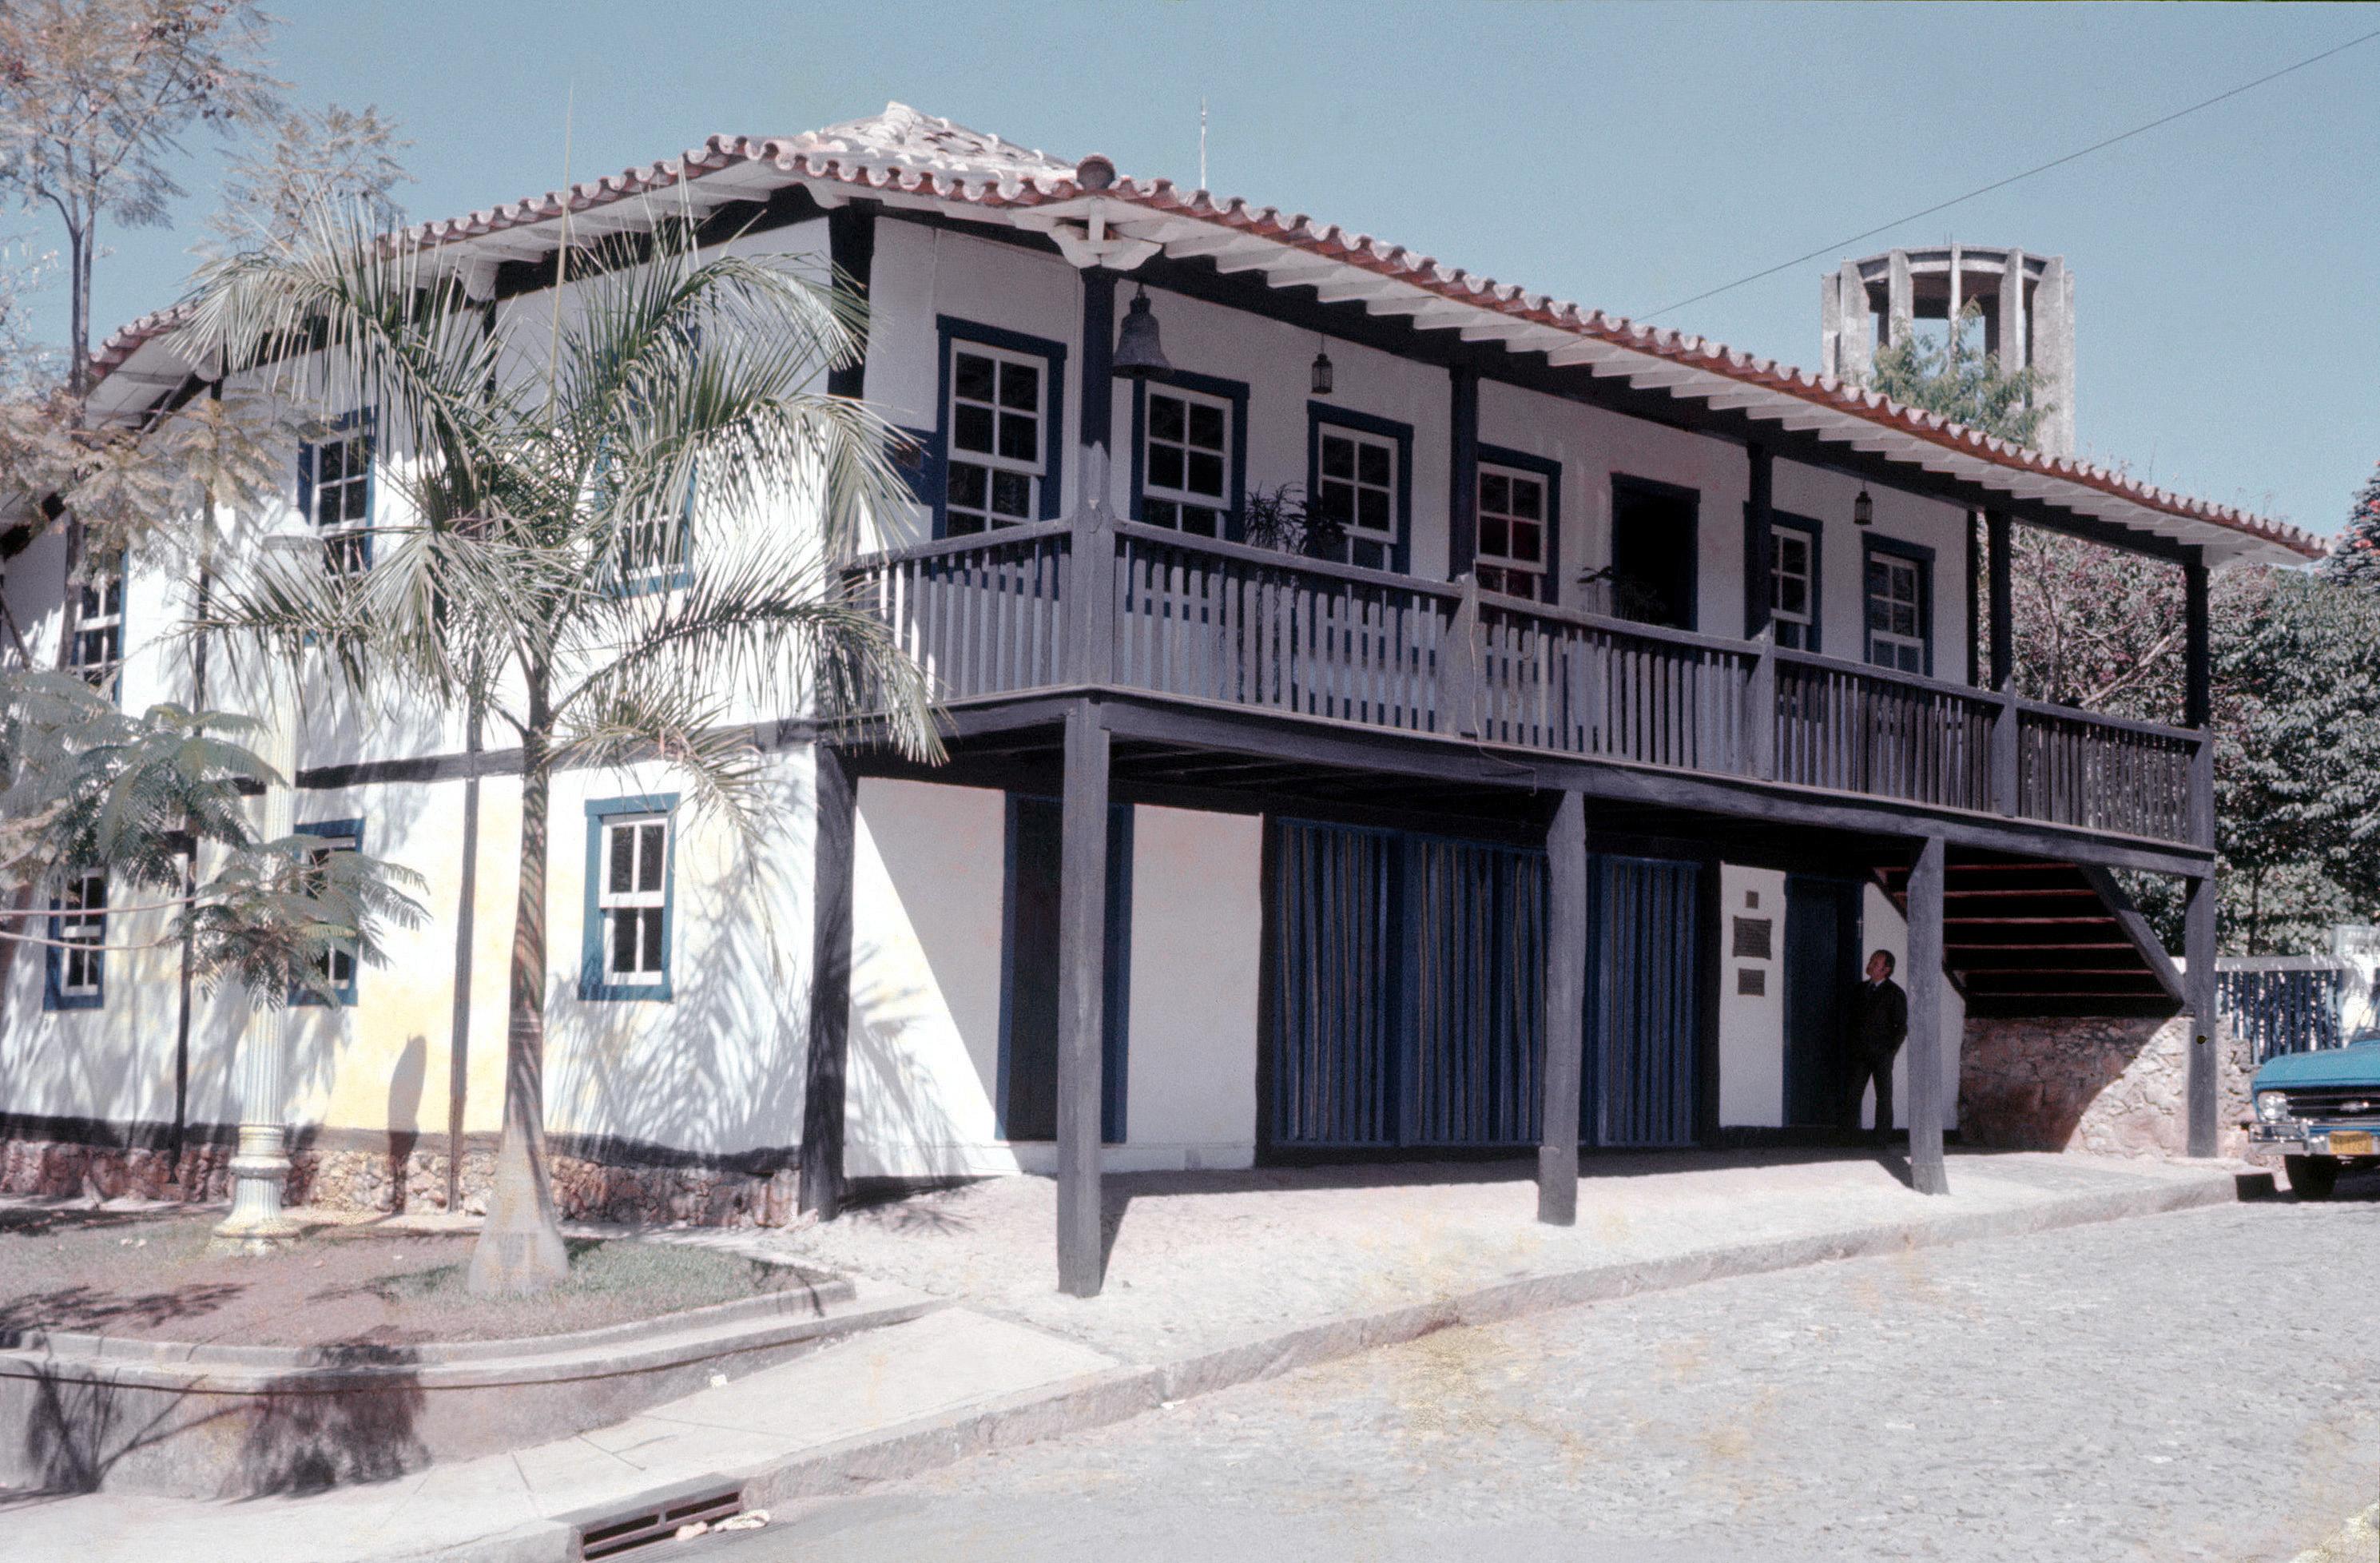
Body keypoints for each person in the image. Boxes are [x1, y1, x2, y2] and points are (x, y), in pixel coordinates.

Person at [1843, 949, 1909, 1144]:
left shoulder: (1895, 994)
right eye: (1871, 960)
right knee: (1853, 1093)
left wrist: (1891, 1051)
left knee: (1884, 1097)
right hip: (1860, 1053)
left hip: (1882, 1054)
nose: (1870, 964)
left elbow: (1901, 1026)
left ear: (1886, 970)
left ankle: (1881, 1138)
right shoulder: (1860, 990)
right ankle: (1847, 1136)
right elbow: (1851, 1020)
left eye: (1876, 962)